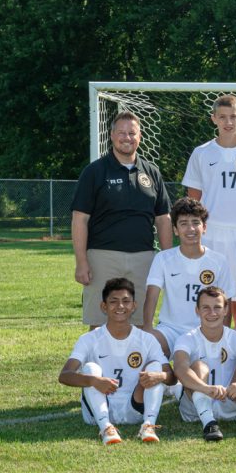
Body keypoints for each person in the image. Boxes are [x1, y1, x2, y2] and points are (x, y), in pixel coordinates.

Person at [71, 111, 172, 328]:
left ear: (140, 136)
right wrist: (81, 261)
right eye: (122, 133)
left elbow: (163, 219)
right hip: (102, 257)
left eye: (132, 133)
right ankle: (98, 363)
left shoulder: (152, 172)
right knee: (100, 323)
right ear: (111, 135)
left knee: (142, 324)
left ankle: (139, 363)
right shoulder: (94, 171)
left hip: (143, 258)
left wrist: (168, 259)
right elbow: (80, 219)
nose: (127, 137)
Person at [182, 94, 236, 322]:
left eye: (233, 117)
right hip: (211, 234)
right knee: (213, 297)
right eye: (222, 117)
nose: (228, 122)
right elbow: (194, 200)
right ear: (214, 119)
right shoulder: (201, 153)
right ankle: (213, 348)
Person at [58, 278, 173, 445]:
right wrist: (93, 380)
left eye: (126, 301)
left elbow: (172, 377)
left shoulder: (147, 339)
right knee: (90, 368)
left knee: (155, 368)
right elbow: (65, 375)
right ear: (104, 306)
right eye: (114, 301)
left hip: (135, 408)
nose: (120, 306)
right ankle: (105, 427)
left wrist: (161, 376)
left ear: (134, 306)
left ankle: (148, 425)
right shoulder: (89, 339)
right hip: (98, 409)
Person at [142, 197, 234, 356]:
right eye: (183, 223)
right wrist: (148, 329)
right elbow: (152, 296)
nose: (190, 228)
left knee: (202, 368)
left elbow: (227, 303)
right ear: (176, 229)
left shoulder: (219, 261)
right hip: (169, 330)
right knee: (147, 344)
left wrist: (222, 335)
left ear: (204, 227)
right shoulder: (163, 258)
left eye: (196, 223)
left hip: (205, 329)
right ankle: (163, 377)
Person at [170, 287, 236, 441]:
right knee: (199, 367)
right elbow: (180, 369)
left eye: (217, 307)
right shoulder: (186, 338)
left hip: (230, 402)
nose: (212, 313)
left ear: (226, 310)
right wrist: (205, 389)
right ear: (197, 310)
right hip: (195, 408)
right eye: (206, 308)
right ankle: (209, 425)